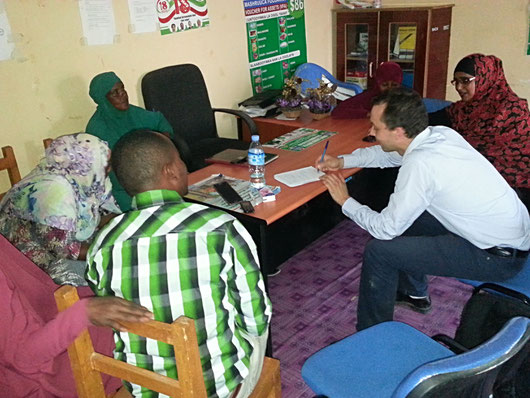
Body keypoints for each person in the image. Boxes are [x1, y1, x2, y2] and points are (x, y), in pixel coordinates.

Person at [316, 88, 529, 331]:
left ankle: (371, 333)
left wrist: (346, 201)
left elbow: (385, 230)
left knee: (379, 251)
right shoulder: (439, 135)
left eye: (376, 127)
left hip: (496, 258)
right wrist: (342, 161)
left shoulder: (420, 164)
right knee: (410, 218)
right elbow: (391, 156)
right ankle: (414, 294)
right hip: (510, 238)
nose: (370, 132)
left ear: (398, 132)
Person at [86, 130, 272, 398]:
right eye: (181, 161)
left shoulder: (102, 244)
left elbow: (111, 314)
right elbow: (256, 320)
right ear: (171, 171)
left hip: (147, 391)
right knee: (256, 321)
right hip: (218, 390)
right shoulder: (222, 228)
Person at [0, 233, 153, 398]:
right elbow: (23, 357)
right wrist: (86, 311)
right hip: (50, 378)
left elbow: (37, 297)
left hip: (56, 332)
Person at [0, 133, 120, 286]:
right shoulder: (53, 192)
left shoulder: (87, 177)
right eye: (105, 164)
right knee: (104, 273)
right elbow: (67, 250)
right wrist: (113, 252)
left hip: (68, 240)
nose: (110, 169)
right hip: (29, 259)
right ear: (85, 166)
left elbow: (107, 212)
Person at [429, 54, 530, 207]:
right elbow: (427, 119)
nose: (458, 87)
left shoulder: (512, 110)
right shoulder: (463, 110)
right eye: (456, 81)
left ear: (486, 78)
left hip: (515, 190)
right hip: (478, 184)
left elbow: (483, 154)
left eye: (465, 81)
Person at [86, 71, 176, 211]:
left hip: (154, 174)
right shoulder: (97, 128)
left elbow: (159, 121)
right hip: (125, 187)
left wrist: (161, 144)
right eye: (114, 92)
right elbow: (103, 168)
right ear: (103, 98)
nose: (122, 94)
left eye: (122, 89)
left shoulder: (133, 112)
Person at [332, 62, 403, 119]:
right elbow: (338, 111)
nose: (389, 89)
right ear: (377, 84)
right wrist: (368, 113)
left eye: (394, 85)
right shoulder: (368, 97)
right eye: (385, 85)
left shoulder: (405, 98)